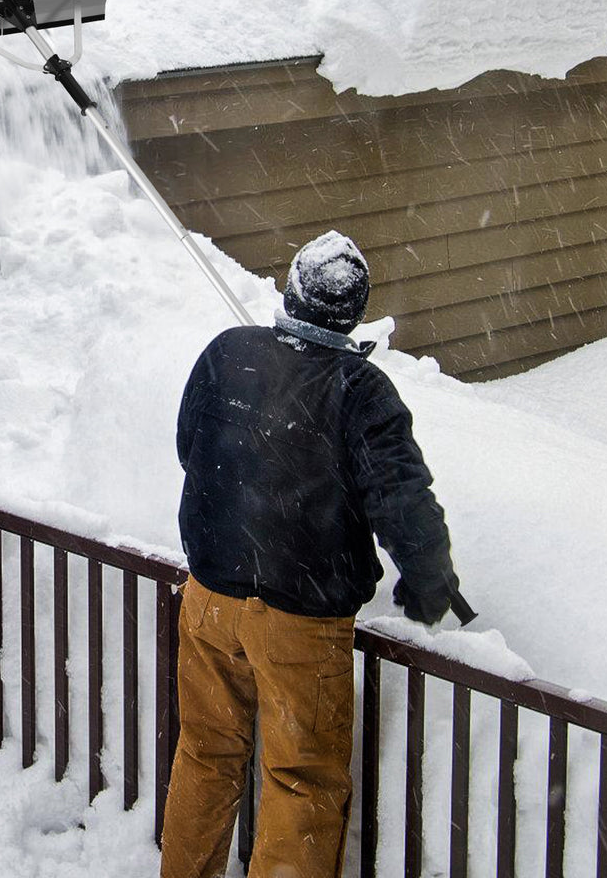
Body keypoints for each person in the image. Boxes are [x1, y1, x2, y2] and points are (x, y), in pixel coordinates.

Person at [160, 230, 460, 878]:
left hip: (211, 600)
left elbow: (190, 448)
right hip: (300, 620)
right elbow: (403, 503)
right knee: (301, 781)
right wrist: (430, 582)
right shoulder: (362, 391)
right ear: (351, 312)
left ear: (291, 293)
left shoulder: (227, 352)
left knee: (207, 752)